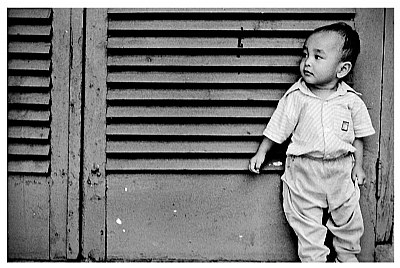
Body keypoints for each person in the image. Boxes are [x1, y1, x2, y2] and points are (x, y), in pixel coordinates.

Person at [248, 22, 375, 262]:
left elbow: (358, 137)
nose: (307, 62)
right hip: (305, 169)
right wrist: (261, 152)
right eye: (306, 54)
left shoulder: (351, 101)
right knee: (305, 221)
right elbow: (278, 127)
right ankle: (314, 260)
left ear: (342, 69)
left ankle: (347, 257)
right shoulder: (297, 97)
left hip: (340, 170)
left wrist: (358, 167)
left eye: (318, 57)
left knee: (348, 216)